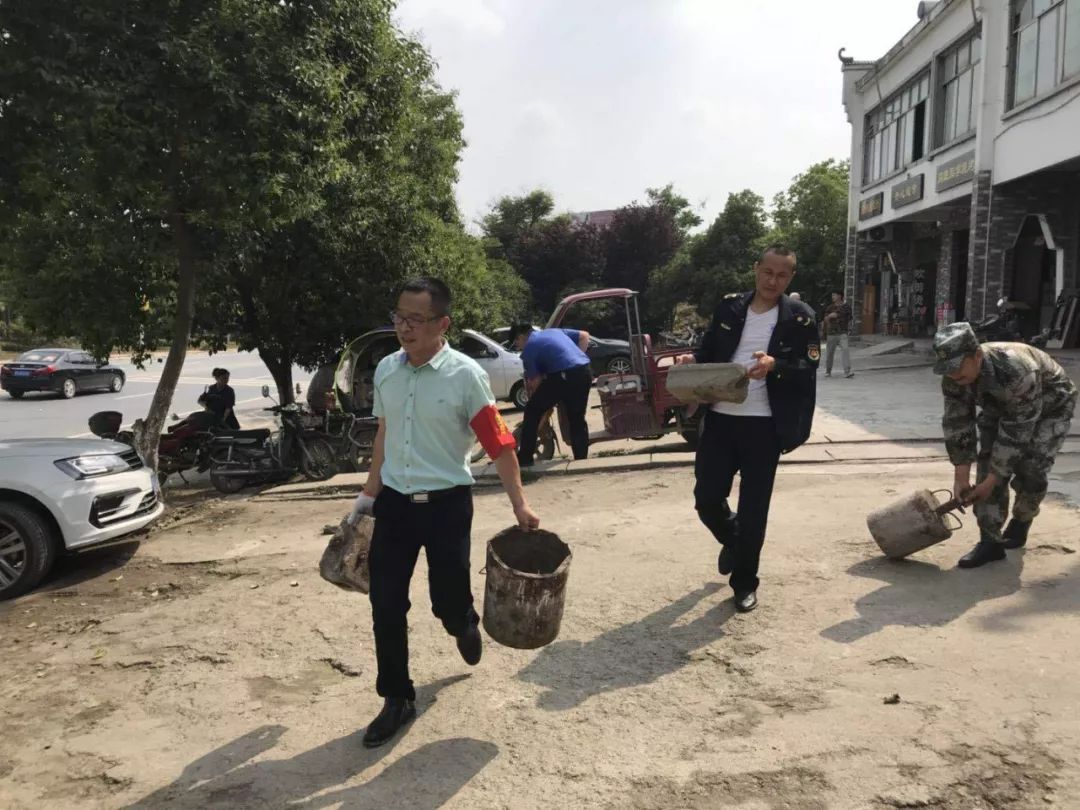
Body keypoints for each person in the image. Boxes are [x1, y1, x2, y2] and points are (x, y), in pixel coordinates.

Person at [348, 277, 540, 748]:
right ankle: (396, 697)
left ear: (442, 324)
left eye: (416, 319)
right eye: (399, 317)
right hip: (395, 504)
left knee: (446, 599)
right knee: (385, 603)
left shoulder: (465, 375)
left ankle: (462, 621)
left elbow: (499, 442)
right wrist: (368, 494)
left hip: (447, 505)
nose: (404, 327)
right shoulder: (387, 370)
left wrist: (519, 502)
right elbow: (385, 433)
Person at [675, 244, 819, 613]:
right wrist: (693, 360)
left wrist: (775, 365)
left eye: (782, 275)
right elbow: (709, 350)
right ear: (756, 269)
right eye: (768, 272)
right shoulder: (730, 307)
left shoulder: (800, 317)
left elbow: (808, 366)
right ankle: (734, 539)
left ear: (790, 278)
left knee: (754, 510)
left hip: (765, 425)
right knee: (707, 498)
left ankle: (744, 583)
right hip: (721, 418)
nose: (773, 281)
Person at [934, 322, 1077, 568]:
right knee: (987, 464)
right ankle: (990, 541)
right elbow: (958, 423)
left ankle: (1022, 520)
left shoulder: (1017, 370)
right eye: (947, 369)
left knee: (1031, 467)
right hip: (999, 406)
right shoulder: (953, 378)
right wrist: (961, 477)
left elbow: (1016, 434)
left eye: (957, 367)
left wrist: (992, 480)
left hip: (1051, 406)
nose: (954, 375)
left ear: (977, 355)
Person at [512, 324, 593, 466]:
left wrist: (537, 402)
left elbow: (536, 381)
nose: (518, 348)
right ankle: (581, 460)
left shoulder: (530, 347)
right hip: (584, 371)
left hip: (562, 376)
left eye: (516, 343)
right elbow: (584, 336)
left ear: (521, 336)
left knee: (532, 411)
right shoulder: (555, 331)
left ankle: (525, 458)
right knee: (577, 417)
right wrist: (575, 359)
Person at [822, 291, 854, 379]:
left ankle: (847, 372)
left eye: (834, 295)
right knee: (830, 353)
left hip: (842, 332)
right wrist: (829, 317)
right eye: (832, 295)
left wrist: (838, 315)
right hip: (831, 333)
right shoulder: (830, 307)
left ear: (840, 296)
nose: (832, 297)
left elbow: (849, 318)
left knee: (845, 349)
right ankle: (828, 371)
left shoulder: (846, 307)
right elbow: (825, 319)